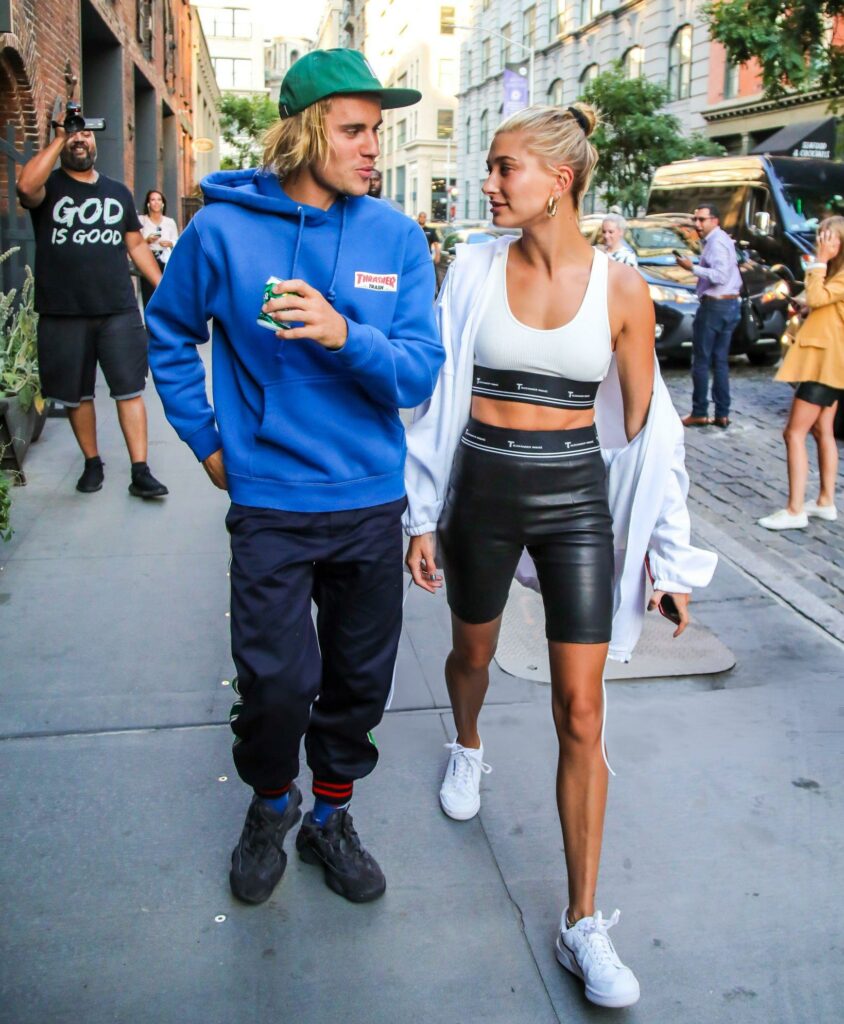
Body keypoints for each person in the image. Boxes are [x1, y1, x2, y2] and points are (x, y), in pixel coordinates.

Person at [403, 104, 716, 1009]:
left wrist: (670, 560)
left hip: (576, 502)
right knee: (472, 654)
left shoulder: (623, 290)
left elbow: (654, 437)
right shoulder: (471, 268)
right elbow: (434, 401)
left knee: (582, 711)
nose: (490, 184)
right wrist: (423, 515)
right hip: (482, 495)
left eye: (505, 169)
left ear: (559, 181)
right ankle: (467, 744)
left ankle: (582, 923)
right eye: (493, 169)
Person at [145, 48, 442, 906]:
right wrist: (205, 441)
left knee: (357, 683)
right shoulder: (223, 230)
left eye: (376, 131)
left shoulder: (394, 235)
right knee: (276, 686)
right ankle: (272, 804)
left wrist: (346, 335)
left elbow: (419, 372)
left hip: (367, 501)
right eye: (354, 130)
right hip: (271, 500)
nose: (371, 147)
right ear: (307, 131)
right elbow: (169, 333)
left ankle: (331, 817)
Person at [16, 120, 168, 498]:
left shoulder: (117, 192)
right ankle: (92, 462)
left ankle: (140, 470)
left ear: (96, 141)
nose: (79, 140)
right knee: (76, 394)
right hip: (63, 311)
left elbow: (135, 246)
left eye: (85, 134)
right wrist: (60, 139)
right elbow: (24, 187)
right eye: (73, 135)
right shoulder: (48, 188)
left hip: (117, 308)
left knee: (130, 389)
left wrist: (165, 289)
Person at [758, 218, 844, 530]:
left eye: (829, 237)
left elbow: (822, 298)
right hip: (828, 365)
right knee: (823, 431)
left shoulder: (838, 273)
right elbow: (823, 303)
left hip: (823, 367)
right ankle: (824, 501)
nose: (822, 241)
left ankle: (795, 509)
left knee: (793, 433)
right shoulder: (835, 275)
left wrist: (819, 262)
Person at [675, 204, 742, 428]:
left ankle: (700, 411)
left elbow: (720, 276)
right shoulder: (720, 240)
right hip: (728, 304)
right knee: (719, 361)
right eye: (696, 219)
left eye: (702, 220)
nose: (697, 224)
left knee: (702, 360)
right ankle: (721, 412)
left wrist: (690, 267)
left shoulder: (716, 241)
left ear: (715, 220)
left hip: (716, 305)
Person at [138, 189, 179, 309]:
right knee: (148, 293)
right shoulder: (142, 220)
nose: (156, 202)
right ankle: (149, 324)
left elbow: (176, 242)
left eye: (159, 199)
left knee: (165, 293)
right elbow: (136, 243)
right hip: (148, 259)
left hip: (165, 260)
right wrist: (147, 240)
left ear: (163, 203)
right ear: (148, 203)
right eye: (153, 199)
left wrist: (169, 243)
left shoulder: (170, 222)